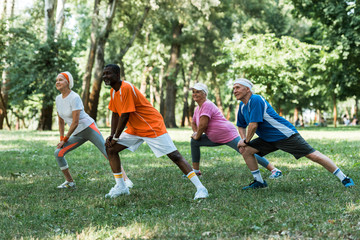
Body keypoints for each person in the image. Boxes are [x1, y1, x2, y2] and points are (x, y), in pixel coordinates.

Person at [102, 64, 208, 200]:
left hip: (151, 126)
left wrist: (116, 137)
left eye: (108, 73)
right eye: (104, 74)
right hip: (135, 129)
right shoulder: (113, 91)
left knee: (175, 156)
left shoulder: (126, 88)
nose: (105, 76)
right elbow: (115, 113)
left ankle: (201, 188)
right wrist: (112, 136)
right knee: (111, 149)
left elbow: (125, 115)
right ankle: (121, 187)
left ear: (117, 75)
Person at [233, 78, 355, 189]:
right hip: (267, 138)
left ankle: (344, 178)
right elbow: (241, 125)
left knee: (313, 155)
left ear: (247, 89)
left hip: (284, 135)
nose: (235, 91)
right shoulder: (242, 106)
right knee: (246, 150)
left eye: (237, 87)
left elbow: (253, 125)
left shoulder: (256, 99)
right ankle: (259, 182)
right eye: (233, 88)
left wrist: (246, 141)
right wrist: (244, 141)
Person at [54, 71, 132, 189]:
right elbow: (60, 120)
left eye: (60, 80)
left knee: (108, 152)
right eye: (56, 80)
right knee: (58, 153)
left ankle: (126, 180)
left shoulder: (74, 97)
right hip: (77, 133)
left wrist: (65, 139)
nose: (57, 82)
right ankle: (70, 182)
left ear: (68, 82)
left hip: (88, 128)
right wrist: (61, 138)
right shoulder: (58, 99)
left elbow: (75, 122)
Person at [190, 83, 282, 179]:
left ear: (204, 94)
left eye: (198, 92)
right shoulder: (198, 108)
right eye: (193, 92)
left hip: (226, 134)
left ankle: (275, 170)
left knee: (245, 150)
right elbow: (194, 123)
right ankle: (196, 172)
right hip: (214, 137)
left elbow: (203, 124)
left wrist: (197, 135)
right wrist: (196, 134)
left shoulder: (207, 104)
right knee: (194, 142)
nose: (195, 94)